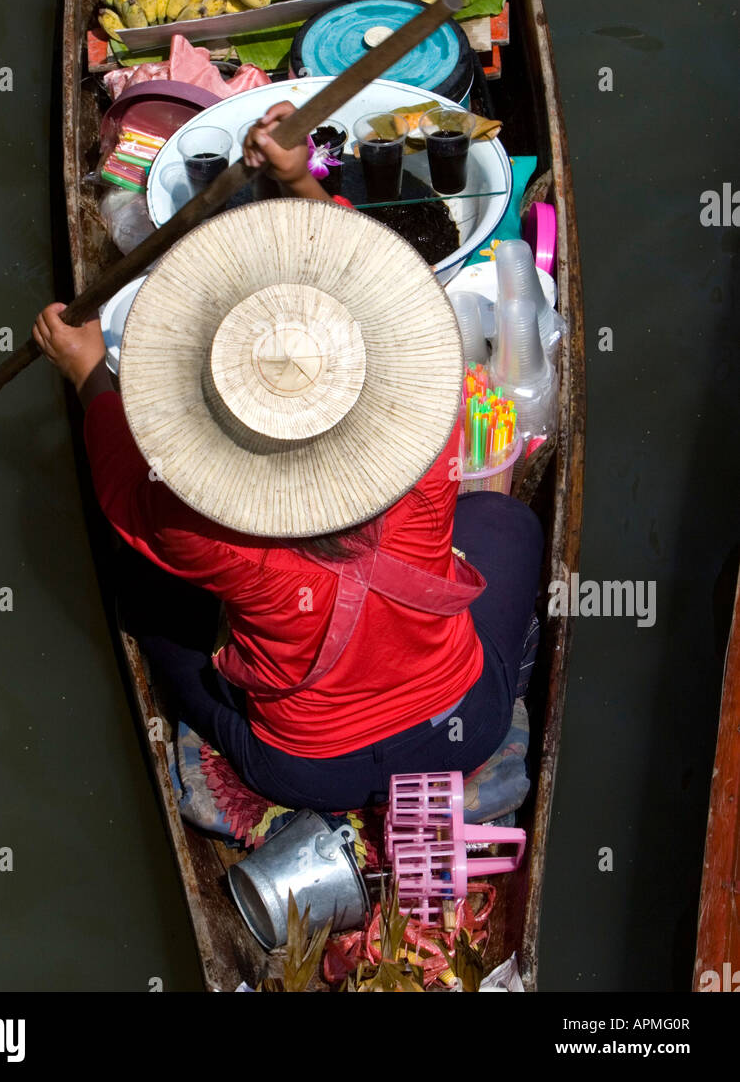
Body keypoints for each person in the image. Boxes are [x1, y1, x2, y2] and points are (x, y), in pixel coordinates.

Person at [33, 103, 543, 813]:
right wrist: (301, 179)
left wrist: (88, 364)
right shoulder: (428, 447)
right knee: (504, 520)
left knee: (148, 602)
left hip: (309, 772)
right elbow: (388, 285)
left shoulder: (198, 525)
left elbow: (120, 474)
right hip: (465, 730)